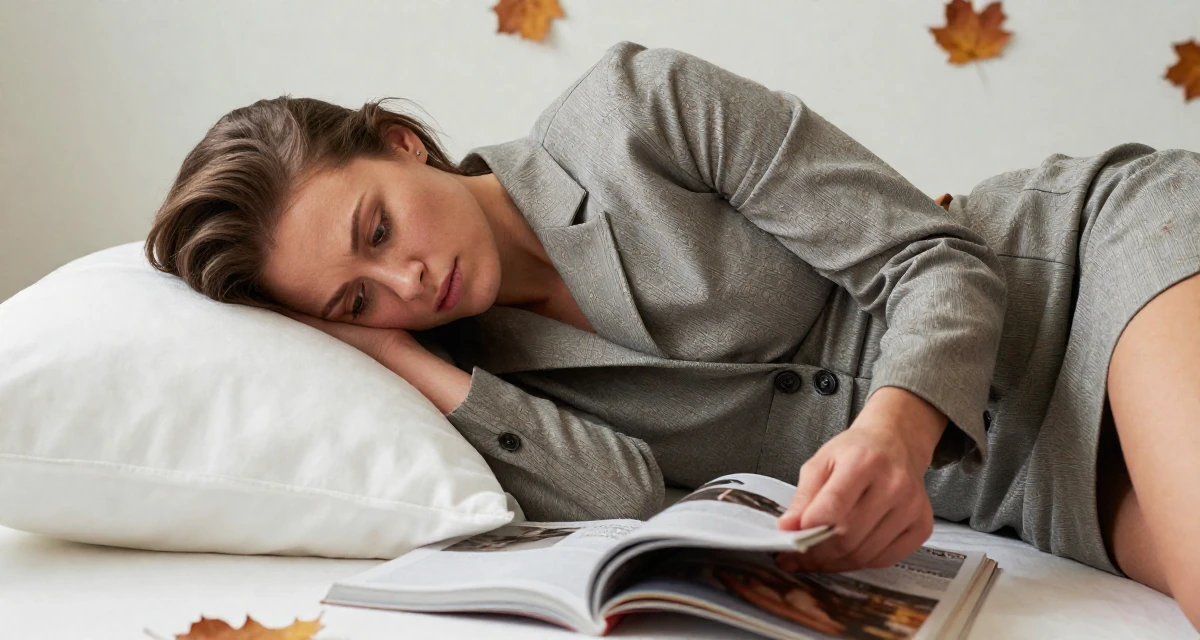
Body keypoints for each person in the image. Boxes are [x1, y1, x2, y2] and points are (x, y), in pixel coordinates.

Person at [143, 40, 1200, 628]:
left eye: (376, 228)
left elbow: (934, 261)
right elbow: (630, 505)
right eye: (355, 302)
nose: (404, 282)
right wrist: (402, 361)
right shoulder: (487, 386)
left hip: (1074, 279)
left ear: (402, 141)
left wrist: (892, 431)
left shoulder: (634, 109)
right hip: (1015, 483)